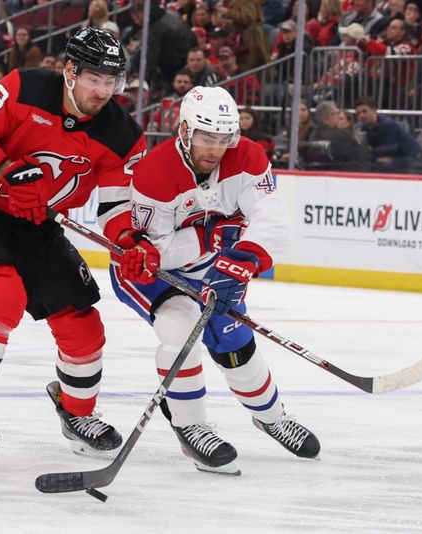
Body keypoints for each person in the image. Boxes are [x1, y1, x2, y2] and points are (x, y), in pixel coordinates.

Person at [0, 27, 147, 468]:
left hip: (39, 228)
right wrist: (6, 170)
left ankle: (77, 413)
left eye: (113, 82)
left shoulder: (122, 134)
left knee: (84, 324)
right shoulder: (25, 86)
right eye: (95, 79)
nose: (104, 91)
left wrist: (128, 241)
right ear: (70, 71)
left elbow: (115, 209)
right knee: (1, 295)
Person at [110, 86, 320, 475]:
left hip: (212, 269)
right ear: (186, 130)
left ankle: (271, 417)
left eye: (225, 139)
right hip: (150, 275)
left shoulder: (249, 157)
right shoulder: (155, 172)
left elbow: (273, 220)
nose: (216, 148)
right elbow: (159, 251)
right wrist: (213, 239)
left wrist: (238, 262)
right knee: (181, 329)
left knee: (235, 342)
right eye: (208, 138)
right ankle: (191, 427)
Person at [355, 96, 420, 172]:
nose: (361, 115)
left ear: (374, 110)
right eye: (358, 113)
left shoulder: (387, 125)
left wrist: (370, 150)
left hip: (411, 159)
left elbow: (390, 149)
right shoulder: (365, 127)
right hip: (394, 158)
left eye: (364, 111)